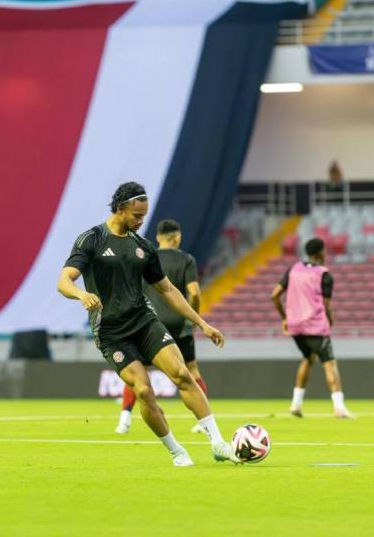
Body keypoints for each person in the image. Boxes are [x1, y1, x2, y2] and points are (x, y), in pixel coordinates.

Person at [57, 181, 238, 466]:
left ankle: (218, 443)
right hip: (111, 332)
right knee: (142, 389)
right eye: (136, 216)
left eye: (144, 216)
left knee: (181, 373)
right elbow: (64, 281)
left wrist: (202, 323)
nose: (142, 221)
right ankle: (177, 451)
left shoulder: (143, 247)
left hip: (143, 322)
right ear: (120, 209)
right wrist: (81, 294)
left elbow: (168, 290)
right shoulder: (91, 239)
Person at [115, 219, 208, 435]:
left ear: (158, 238)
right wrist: (193, 319)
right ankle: (202, 421)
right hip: (178, 323)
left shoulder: (146, 256)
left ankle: (124, 420)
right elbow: (194, 292)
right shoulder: (186, 259)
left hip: (151, 323)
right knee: (191, 370)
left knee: (140, 372)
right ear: (177, 238)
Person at [270, 238, 354, 419]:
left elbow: (275, 295)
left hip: (295, 327)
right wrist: (330, 320)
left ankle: (296, 404)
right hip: (315, 326)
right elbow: (326, 305)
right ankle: (339, 407)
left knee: (308, 359)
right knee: (329, 363)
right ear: (320, 253)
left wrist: (285, 318)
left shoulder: (293, 269)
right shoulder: (324, 275)